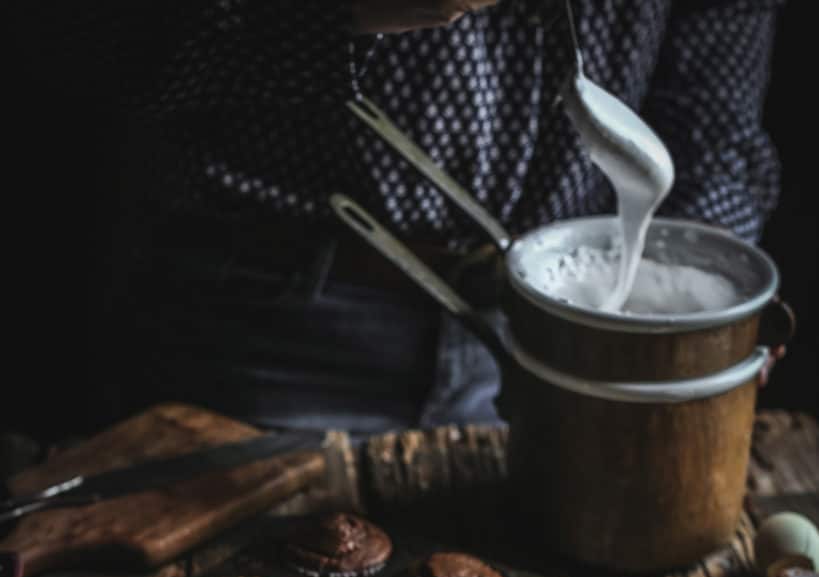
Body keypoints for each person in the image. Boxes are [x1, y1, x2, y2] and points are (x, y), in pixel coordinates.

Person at [79, 0, 783, 435]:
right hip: (267, 326)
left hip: (559, 334)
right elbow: (88, 43)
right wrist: (331, 12)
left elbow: (716, 117)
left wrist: (708, 320)